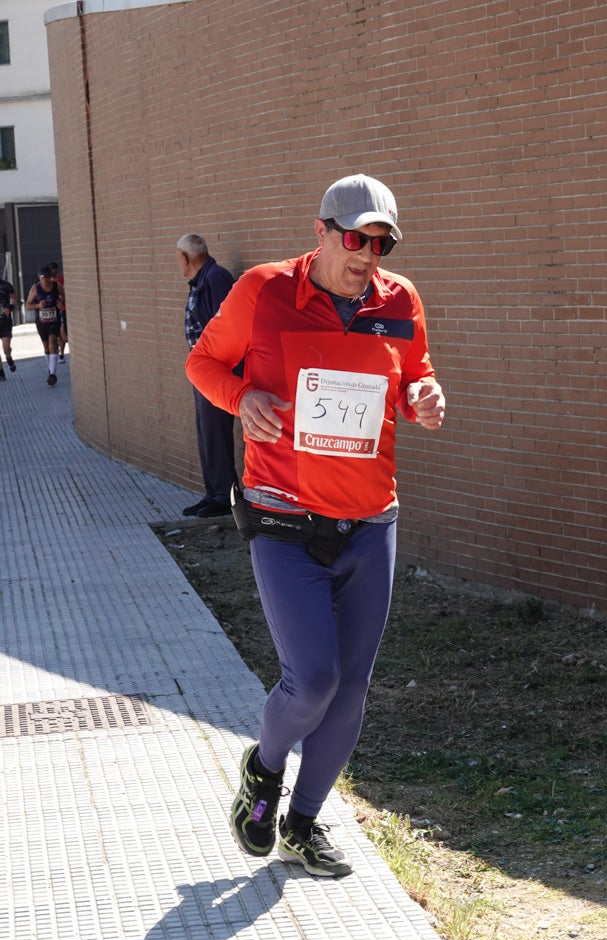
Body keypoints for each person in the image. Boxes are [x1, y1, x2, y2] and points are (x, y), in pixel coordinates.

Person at [186, 173, 445, 877]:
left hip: (368, 519)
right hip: (282, 518)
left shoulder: (400, 301)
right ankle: (263, 770)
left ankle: (302, 822)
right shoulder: (263, 291)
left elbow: (414, 374)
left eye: (381, 241)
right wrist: (242, 399)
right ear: (322, 229)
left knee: (352, 690)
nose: (367, 252)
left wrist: (423, 395)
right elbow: (202, 361)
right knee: (314, 680)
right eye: (355, 237)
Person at [177, 233, 238, 518]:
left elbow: (227, 328)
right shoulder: (202, 280)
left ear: (185, 258)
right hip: (203, 370)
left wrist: (216, 370)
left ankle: (224, 497)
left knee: (215, 433)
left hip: (216, 372)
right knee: (206, 432)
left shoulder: (216, 279)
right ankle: (212, 493)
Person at [24, 266, 64, 386]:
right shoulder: (35, 289)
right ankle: (50, 368)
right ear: (39, 278)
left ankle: (52, 374)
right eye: (43, 278)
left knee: (53, 343)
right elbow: (27, 306)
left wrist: (61, 303)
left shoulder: (57, 286)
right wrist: (38, 306)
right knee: (46, 347)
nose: (45, 280)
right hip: (41, 322)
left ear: (50, 277)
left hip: (54, 320)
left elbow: (66, 298)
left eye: (47, 277)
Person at [49, 263, 68, 361]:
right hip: (52, 312)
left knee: (63, 335)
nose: (53, 272)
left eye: (54, 270)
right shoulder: (45, 283)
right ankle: (59, 353)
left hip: (62, 310)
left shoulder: (60, 281)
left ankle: (61, 353)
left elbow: (65, 293)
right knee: (56, 335)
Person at [0, 275, 16, 379]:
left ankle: (9, 357)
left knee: (6, 348)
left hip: (5, 321)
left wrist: (10, 307)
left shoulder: (6, 285)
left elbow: (14, 299)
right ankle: (1, 373)